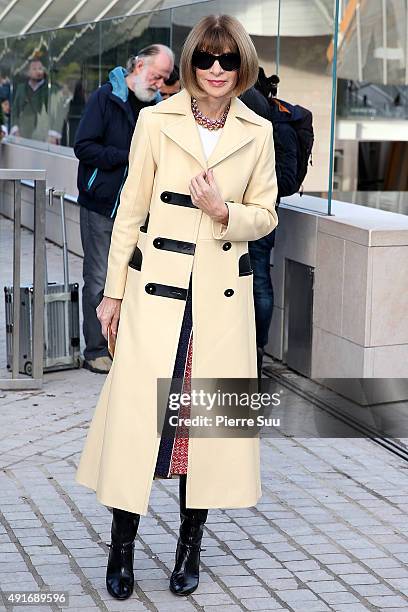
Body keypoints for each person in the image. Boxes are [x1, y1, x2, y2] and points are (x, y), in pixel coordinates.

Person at [75, 13, 278, 600]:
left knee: (203, 429)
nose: (217, 70)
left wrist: (223, 211)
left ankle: (191, 545)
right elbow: (130, 211)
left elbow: (265, 214)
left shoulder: (257, 130)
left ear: (243, 66)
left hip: (219, 301)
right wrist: (112, 292)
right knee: (138, 425)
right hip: (155, 293)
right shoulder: (155, 120)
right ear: (189, 64)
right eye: (206, 59)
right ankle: (122, 549)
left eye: (229, 60)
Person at [74, 45, 174, 374]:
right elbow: (83, 146)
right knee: (100, 279)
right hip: (101, 205)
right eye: (157, 76)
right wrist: (126, 158)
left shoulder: (158, 109)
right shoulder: (105, 98)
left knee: (132, 281)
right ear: (139, 65)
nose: (160, 83)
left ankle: (122, 347)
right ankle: (96, 349)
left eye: (164, 78)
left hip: (138, 211)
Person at [241, 69, 298, 378]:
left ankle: (254, 350)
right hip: (258, 210)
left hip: (254, 212)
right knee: (258, 278)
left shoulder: (250, 107)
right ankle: (253, 351)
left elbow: (284, 179)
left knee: (257, 279)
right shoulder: (273, 115)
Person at [11, 58, 66, 143]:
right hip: (22, 137)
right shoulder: (21, 89)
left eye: (40, 68)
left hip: (45, 138)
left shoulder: (52, 90)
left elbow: (58, 113)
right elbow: (15, 111)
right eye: (34, 69)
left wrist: (53, 134)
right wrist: (15, 129)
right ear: (28, 72)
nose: (38, 72)